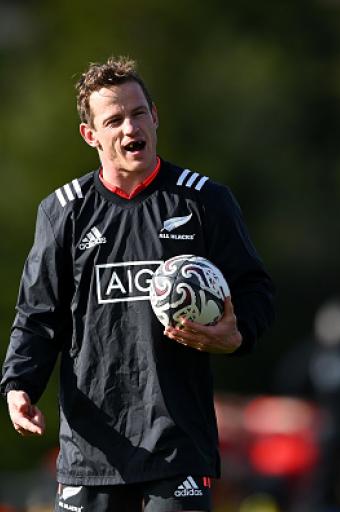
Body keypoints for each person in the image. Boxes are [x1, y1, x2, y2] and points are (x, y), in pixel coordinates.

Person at [1, 56, 274, 511]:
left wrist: (236, 332)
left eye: (138, 113)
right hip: (92, 451)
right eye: (114, 120)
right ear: (91, 136)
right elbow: (37, 315)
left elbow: (255, 289)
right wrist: (18, 386)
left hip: (178, 446)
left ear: (155, 116)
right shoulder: (63, 211)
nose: (131, 128)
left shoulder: (203, 200)